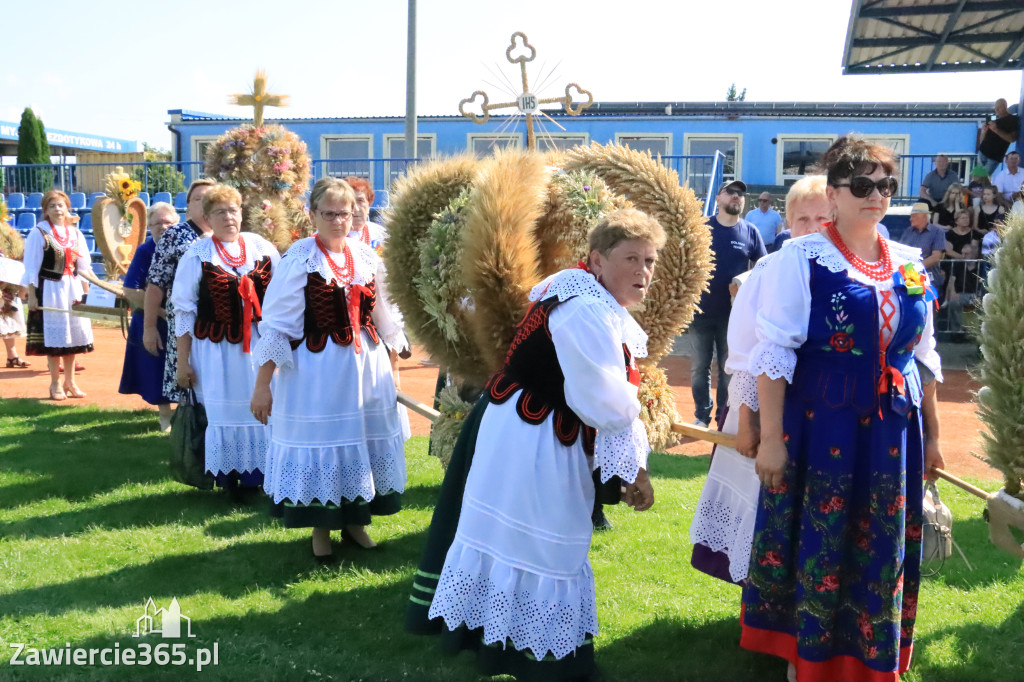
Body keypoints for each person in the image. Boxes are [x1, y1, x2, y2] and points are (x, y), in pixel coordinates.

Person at [407, 208, 660, 681]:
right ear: (598, 260)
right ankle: (549, 662)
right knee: (547, 543)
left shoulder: (581, 290)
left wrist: (630, 452)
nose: (643, 272)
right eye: (631, 259)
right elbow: (605, 405)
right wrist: (635, 453)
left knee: (518, 539)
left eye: (649, 260)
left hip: (522, 427)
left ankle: (513, 648)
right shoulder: (585, 309)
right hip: (535, 436)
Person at [741, 136, 944, 682]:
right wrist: (773, 438)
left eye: (886, 185)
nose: (876, 195)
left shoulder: (908, 263)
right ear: (833, 194)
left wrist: (936, 437)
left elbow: (923, 356)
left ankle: (870, 657)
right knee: (822, 536)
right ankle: (807, 657)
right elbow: (775, 352)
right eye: (862, 185)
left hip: (892, 432)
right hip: (821, 424)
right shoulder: (801, 259)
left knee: (879, 539)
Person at [251, 178, 407, 560]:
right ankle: (321, 529)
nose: (340, 221)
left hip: (367, 368)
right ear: (313, 214)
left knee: (364, 440)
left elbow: (385, 313)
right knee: (326, 444)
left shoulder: (368, 256)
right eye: (331, 213)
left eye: (347, 213)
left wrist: (397, 348)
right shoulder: (300, 259)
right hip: (317, 374)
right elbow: (278, 326)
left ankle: (356, 522)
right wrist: (262, 386)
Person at [690, 175, 829, 585]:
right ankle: (758, 595)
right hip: (766, 409)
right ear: (787, 224)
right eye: (802, 219)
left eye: (822, 217)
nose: (812, 227)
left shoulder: (841, 274)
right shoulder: (767, 271)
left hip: (819, 413)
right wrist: (748, 422)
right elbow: (748, 358)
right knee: (761, 502)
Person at [170, 184, 279, 493]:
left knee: (261, 406)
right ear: (207, 218)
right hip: (215, 351)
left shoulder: (261, 247)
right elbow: (184, 311)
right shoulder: (198, 254)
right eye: (220, 212)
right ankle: (229, 478)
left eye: (233, 210)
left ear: (241, 213)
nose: (229, 218)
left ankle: (260, 477)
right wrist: (183, 363)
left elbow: (283, 295)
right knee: (223, 411)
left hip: (259, 345)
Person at [691, 179, 766, 428]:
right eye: (730, 192)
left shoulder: (750, 232)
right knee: (699, 368)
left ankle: (724, 417)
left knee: (728, 370)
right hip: (700, 311)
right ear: (718, 199)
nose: (736, 196)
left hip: (734, 315)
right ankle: (701, 416)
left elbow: (763, 269)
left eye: (741, 193)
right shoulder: (702, 228)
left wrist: (745, 284)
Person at [143, 178, 215, 406]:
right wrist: (149, 327)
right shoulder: (175, 236)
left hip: (222, 322)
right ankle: (191, 434)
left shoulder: (228, 233)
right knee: (190, 381)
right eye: (197, 199)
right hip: (186, 322)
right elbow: (155, 284)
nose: (203, 204)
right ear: (188, 206)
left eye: (209, 199)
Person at [19, 190, 93, 400]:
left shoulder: (76, 234)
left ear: (67, 207)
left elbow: (84, 267)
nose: (58, 209)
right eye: (53, 206)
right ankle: (55, 384)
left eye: (61, 205)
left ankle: (70, 382)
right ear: (46, 211)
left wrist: (85, 293)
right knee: (56, 340)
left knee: (72, 339)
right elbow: (31, 267)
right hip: (50, 290)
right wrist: (32, 296)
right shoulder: (39, 232)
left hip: (73, 289)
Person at [119, 203, 179, 431]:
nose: (163, 227)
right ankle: (165, 417)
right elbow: (131, 289)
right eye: (158, 223)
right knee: (157, 368)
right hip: (154, 320)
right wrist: (161, 313)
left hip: (184, 320)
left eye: (168, 222)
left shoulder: (187, 246)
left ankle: (185, 416)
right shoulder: (145, 251)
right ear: (150, 227)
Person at [898, 203, 946, 292]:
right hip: (909, 277)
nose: (910, 219)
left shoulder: (937, 232)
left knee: (930, 303)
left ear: (924, 217)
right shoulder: (908, 231)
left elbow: (936, 257)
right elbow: (900, 251)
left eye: (914, 216)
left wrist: (916, 268)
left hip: (929, 277)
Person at [942, 242, 982, 339]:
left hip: (977, 295)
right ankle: (957, 333)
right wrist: (952, 293)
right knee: (953, 302)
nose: (963, 256)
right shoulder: (958, 265)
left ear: (974, 255)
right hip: (961, 294)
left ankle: (974, 333)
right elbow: (952, 281)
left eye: (966, 254)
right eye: (962, 253)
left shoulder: (981, 267)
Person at [977, 98, 1020, 174]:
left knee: (983, 178)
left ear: (1005, 106)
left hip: (994, 157)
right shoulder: (993, 119)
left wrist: (996, 130)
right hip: (982, 152)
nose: (996, 110)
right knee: (977, 176)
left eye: (998, 107)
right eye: (995, 108)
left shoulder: (1012, 120)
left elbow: (1012, 139)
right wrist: (984, 131)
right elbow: (981, 140)